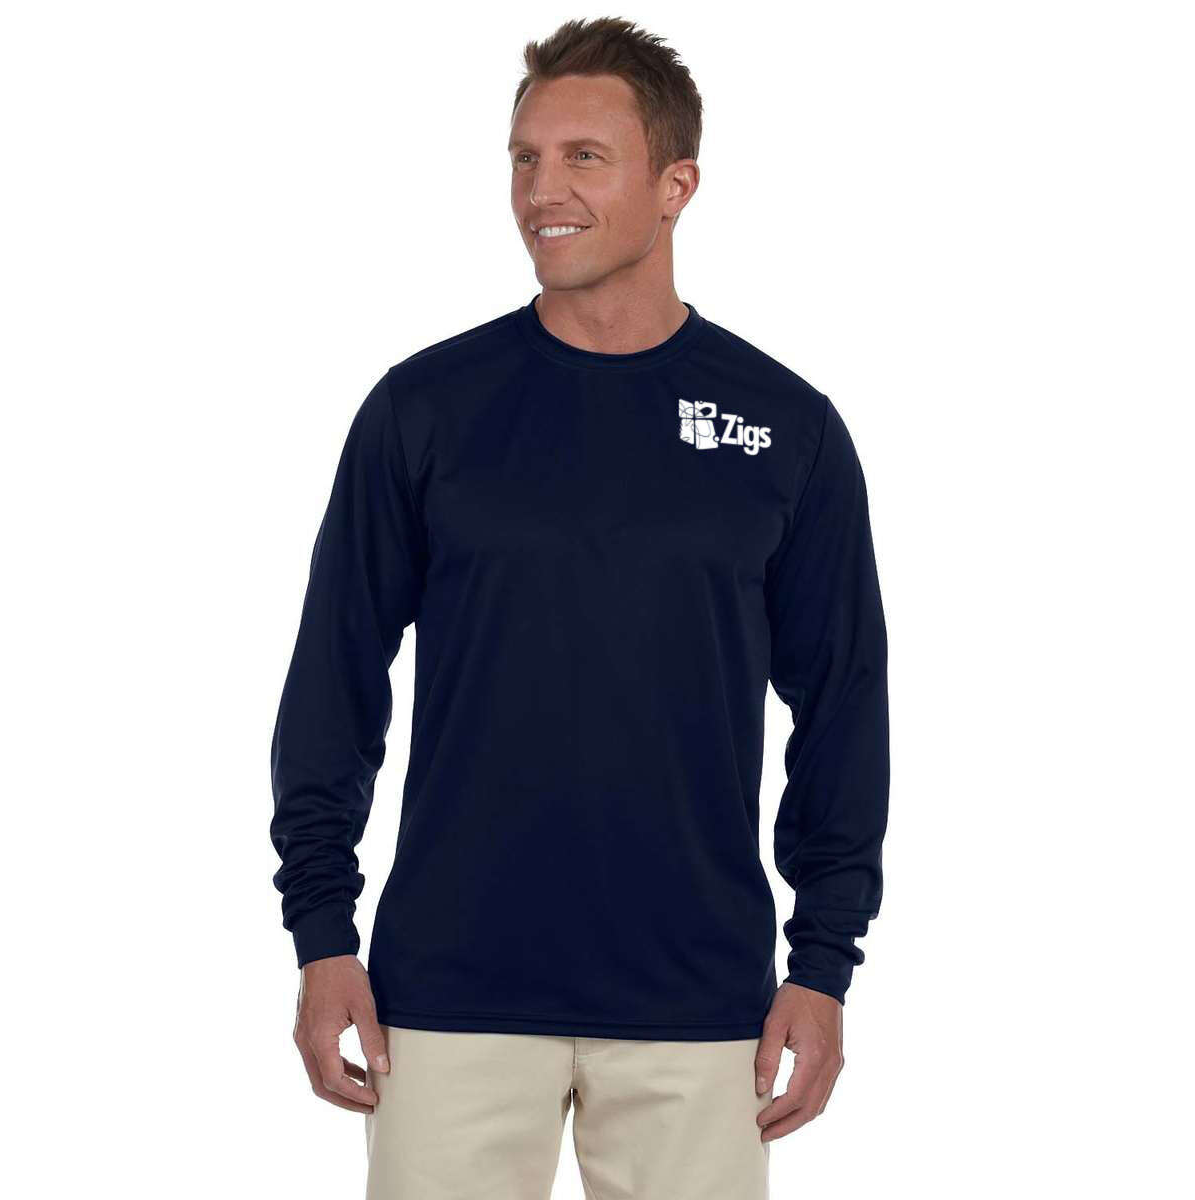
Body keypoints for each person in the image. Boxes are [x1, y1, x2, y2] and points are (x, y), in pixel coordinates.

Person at [269, 16, 889, 1199]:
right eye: (524, 158)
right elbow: (334, 679)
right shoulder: (424, 410)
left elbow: (844, 704)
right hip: (446, 996)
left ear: (677, 184)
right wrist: (322, 932)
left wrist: (822, 961)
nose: (539, 191)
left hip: (698, 1004)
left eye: (583, 158)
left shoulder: (783, 428)